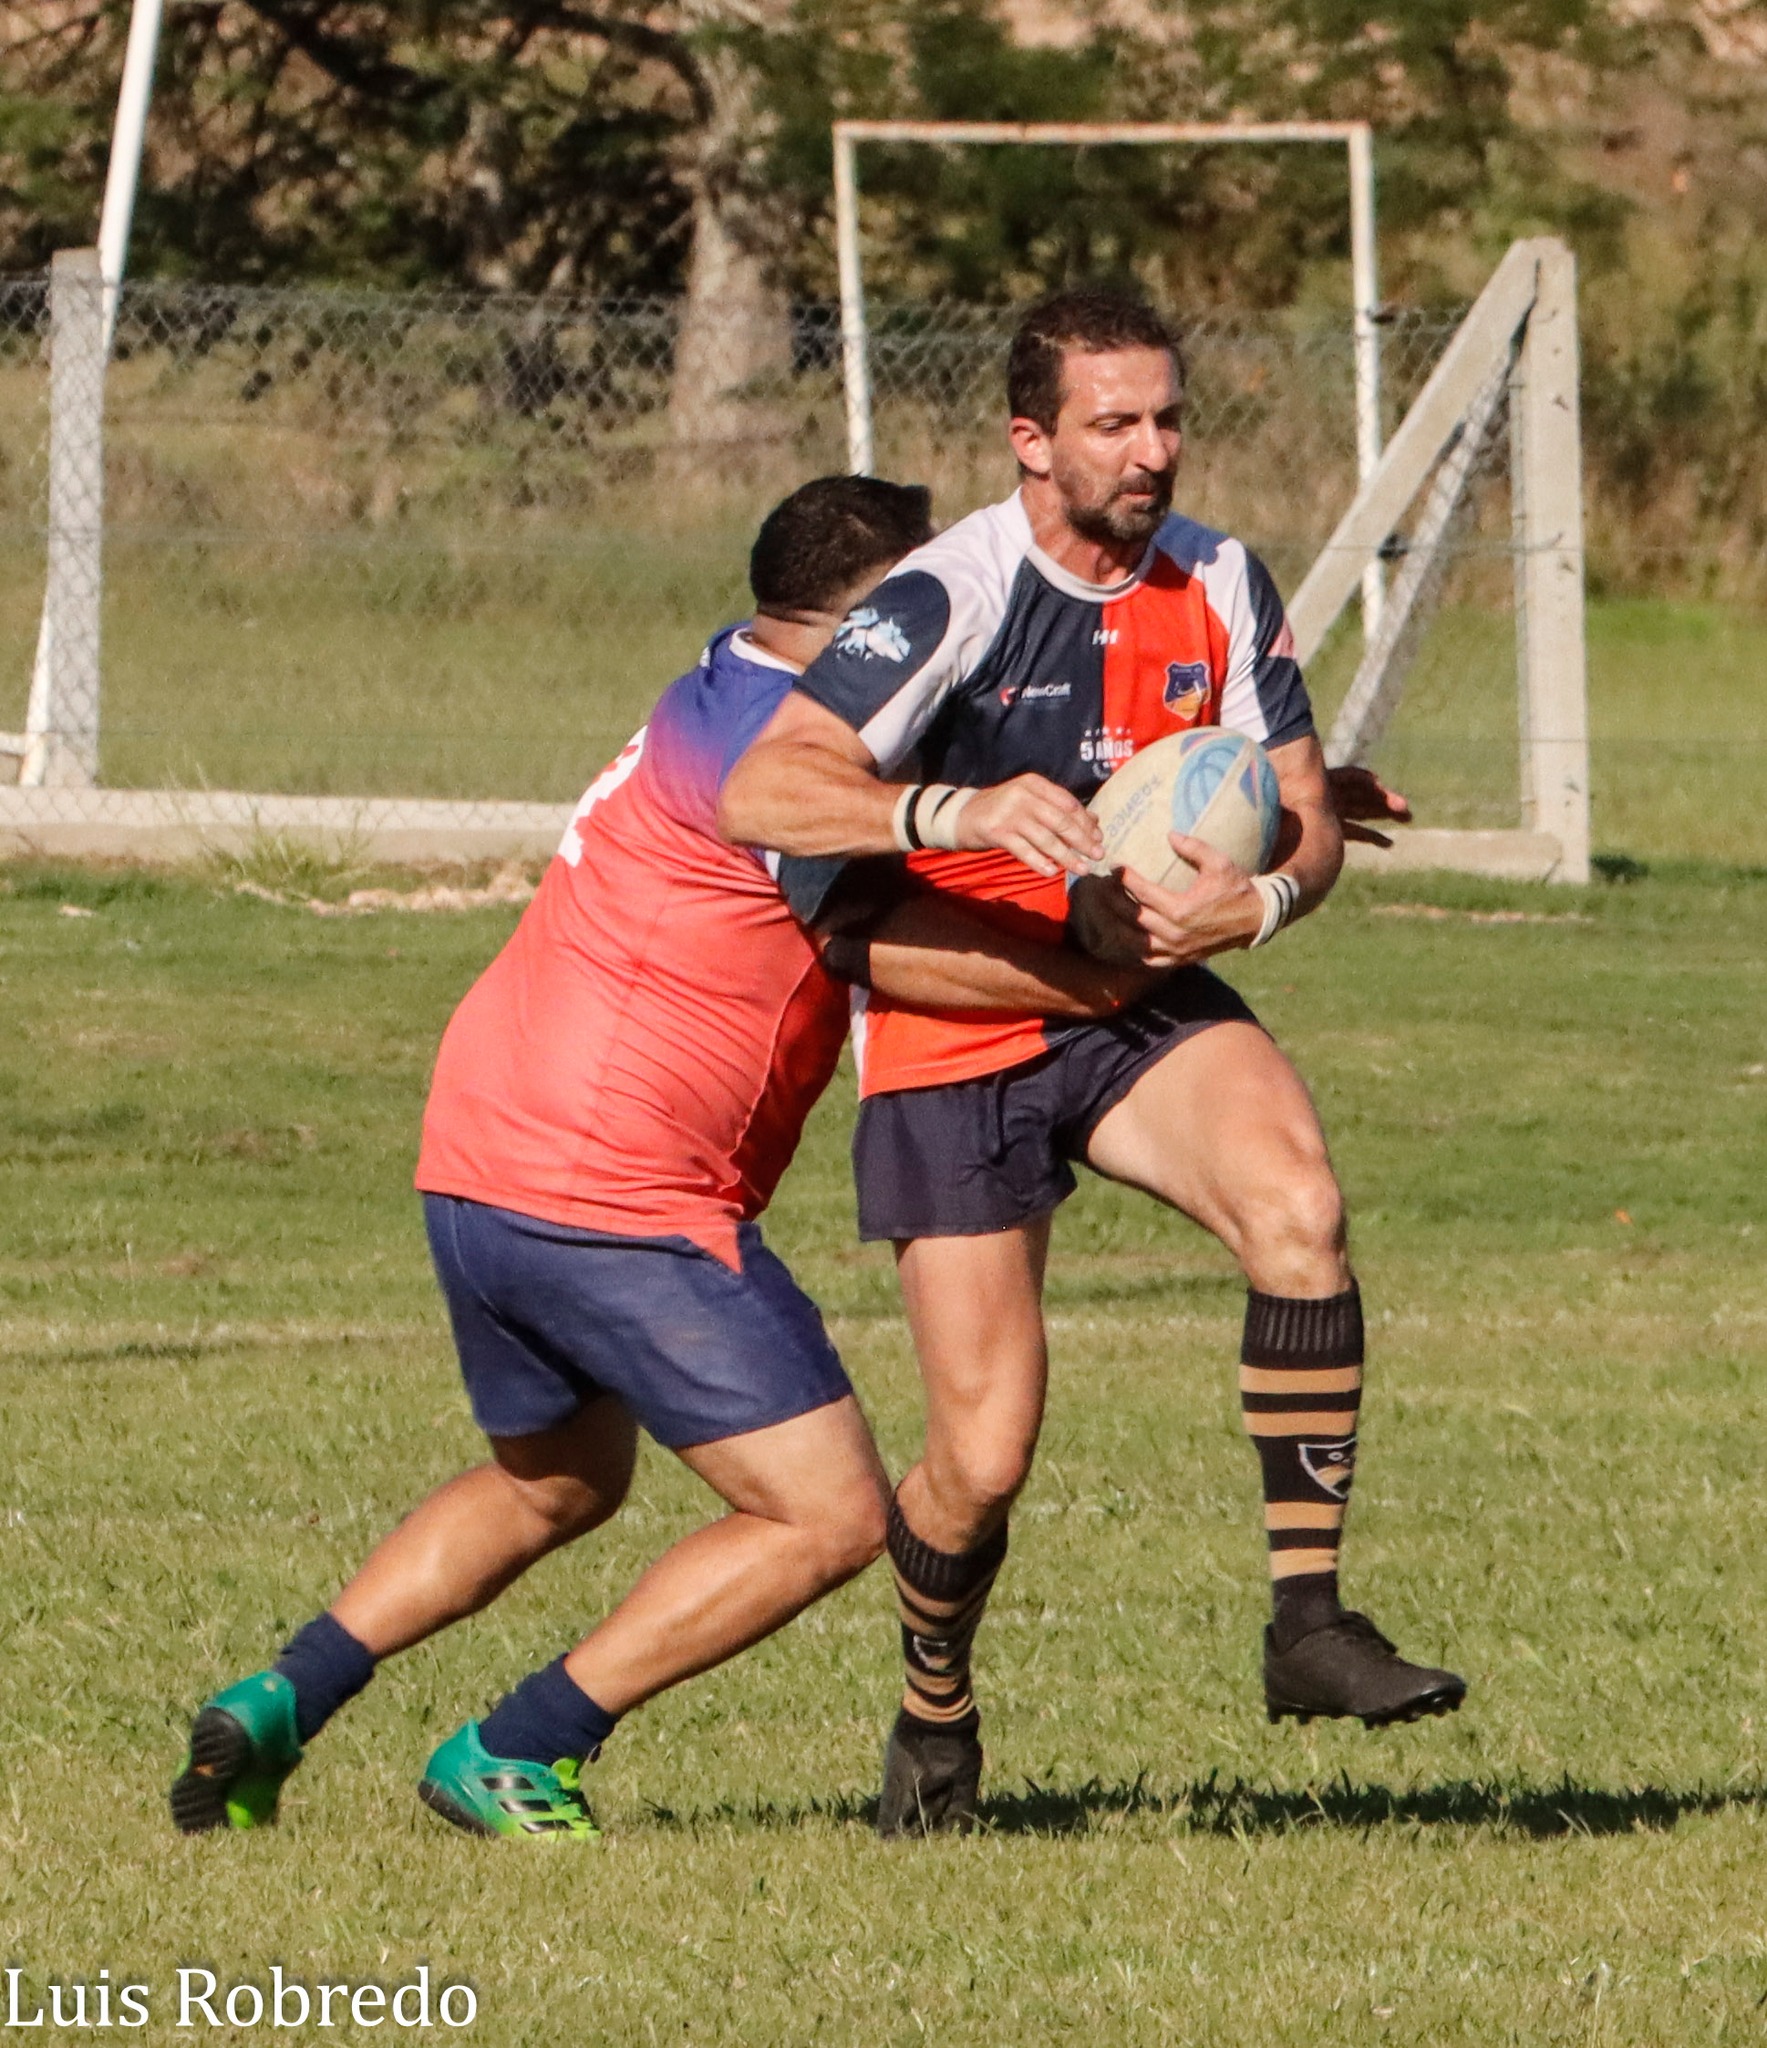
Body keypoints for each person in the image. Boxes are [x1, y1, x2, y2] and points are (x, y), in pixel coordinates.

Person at [168, 475, 1165, 1844]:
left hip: (478, 1150)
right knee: (827, 1516)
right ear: (870, 624)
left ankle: (285, 1695)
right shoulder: (787, 758)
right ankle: (518, 1750)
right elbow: (879, 946)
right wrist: (1098, 988)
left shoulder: (729, 681)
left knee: (558, 1478)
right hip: (615, 1187)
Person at [720, 291, 1466, 1838]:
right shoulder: (947, 593)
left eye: (1168, 417)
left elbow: (1307, 812)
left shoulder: (1222, 580)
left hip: (1132, 992)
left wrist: (1262, 899)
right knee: (983, 1457)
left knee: (1300, 1207)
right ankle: (935, 1705)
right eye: (1113, 423)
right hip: (956, 1014)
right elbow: (764, 789)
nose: (1152, 450)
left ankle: (1309, 1620)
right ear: (1031, 439)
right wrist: (957, 812)